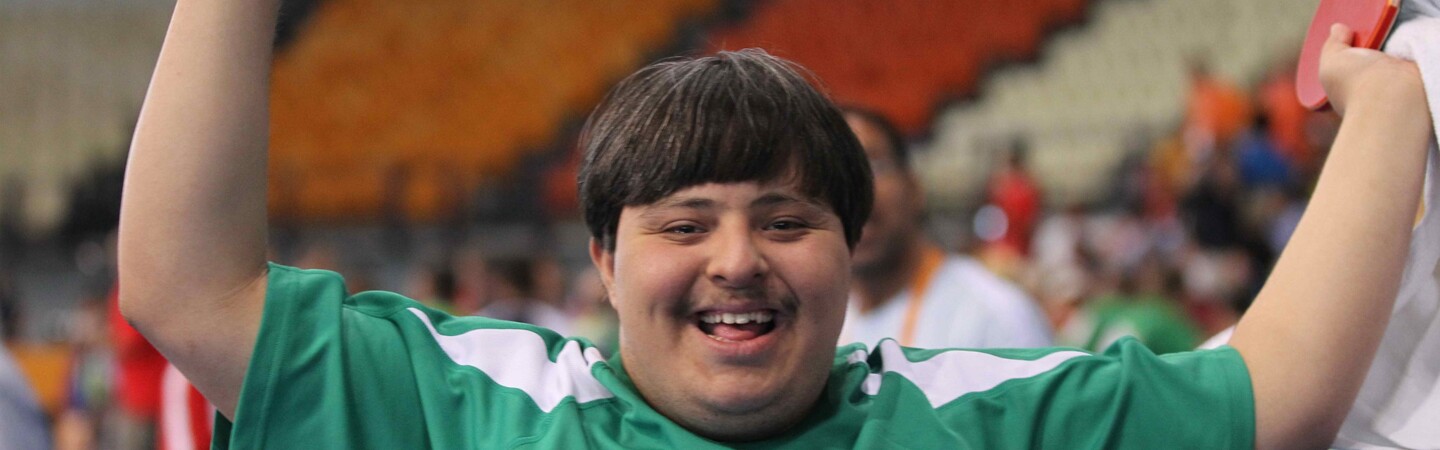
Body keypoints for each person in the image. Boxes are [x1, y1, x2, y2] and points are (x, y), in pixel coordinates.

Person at [118, 0, 1429, 446]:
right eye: (684, 221)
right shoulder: (472, 403)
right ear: (603, 258)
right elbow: (183, 286)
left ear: (847, 249)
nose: (736, 258)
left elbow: (1282, 392)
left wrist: (1389, 99)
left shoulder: (971, 413)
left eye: (784, 217)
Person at [840, 108, 1051, 349]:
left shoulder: (995, 316)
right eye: (835, 173)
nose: (852, 190)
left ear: (914, 188)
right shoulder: (819, 323)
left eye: (873, 166)